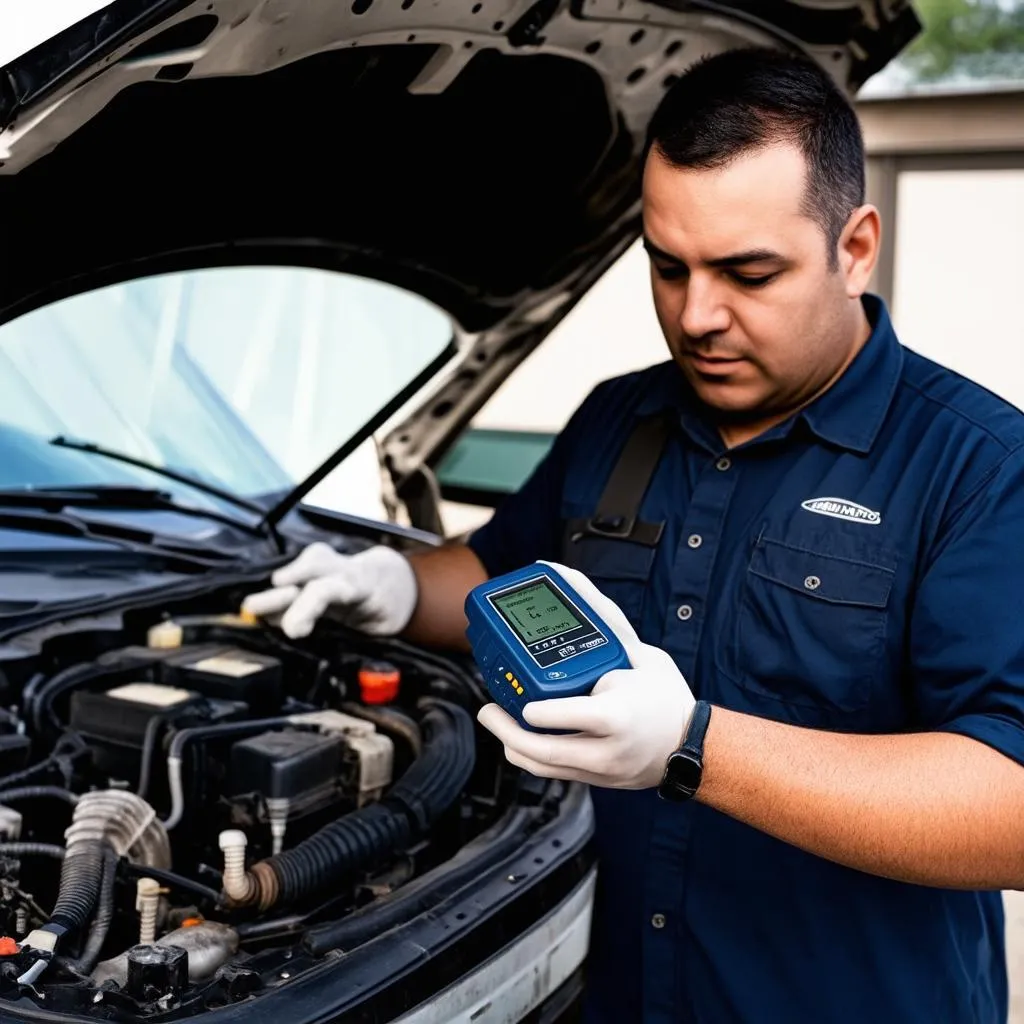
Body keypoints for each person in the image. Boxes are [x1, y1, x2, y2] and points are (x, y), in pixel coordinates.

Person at [243, 46, 1024, 1024]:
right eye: (668, 266)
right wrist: (393, 587)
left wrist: (692, 745)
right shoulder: (619, 419)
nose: (696, 316)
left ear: (853, 246)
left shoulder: (979, 468)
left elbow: (1012, 804)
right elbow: (497, 569)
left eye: (748, 272)